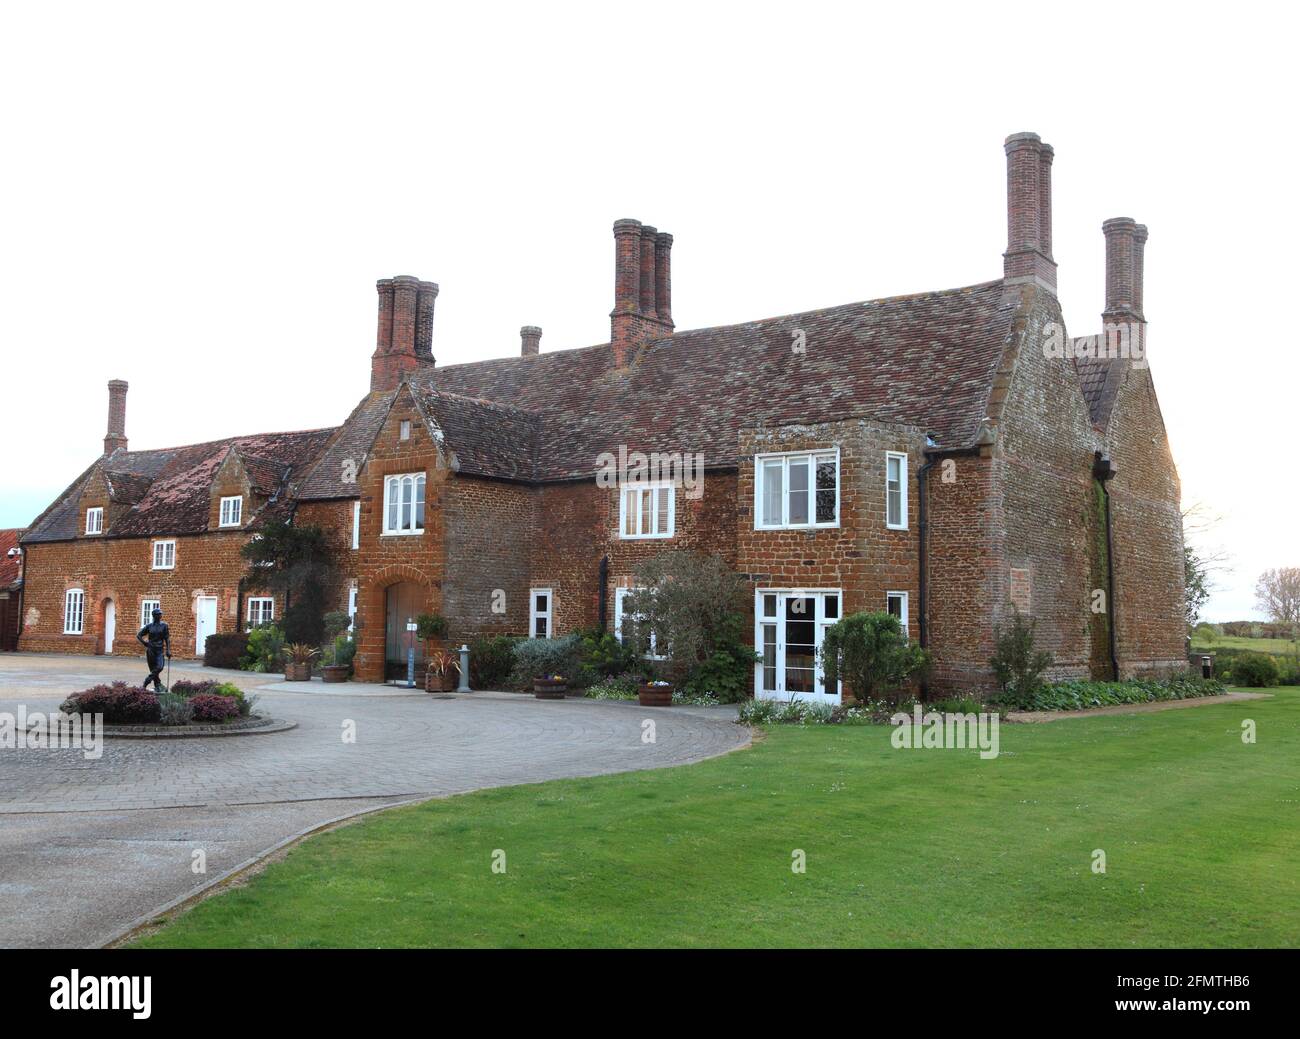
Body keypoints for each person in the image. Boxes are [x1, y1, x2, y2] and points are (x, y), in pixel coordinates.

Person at [137, 608, 171, 692]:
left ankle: (146, 681)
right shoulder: (149, 626)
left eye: (160, 614)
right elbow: (139, 635)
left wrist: (168, 650)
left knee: (160, 667)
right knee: (153, 669)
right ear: (154, 616)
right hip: (151, 650)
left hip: (159, 650)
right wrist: (144, 643)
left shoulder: (164, 625)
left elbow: (167, 638)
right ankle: (158, 685)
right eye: (158, 614)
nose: (160, 615)